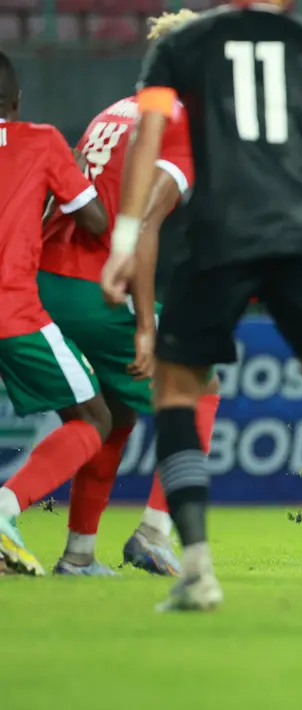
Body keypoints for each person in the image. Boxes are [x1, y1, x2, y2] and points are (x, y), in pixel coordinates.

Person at [100, 0, 302, 611]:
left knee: (178, 393)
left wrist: (125, 242)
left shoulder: (180, 44)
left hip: (219, 237)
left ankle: (198, 571)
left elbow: (148, 137)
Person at [39, 9, 221, 577]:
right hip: (100, 287)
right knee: (202, 382)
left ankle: (79, 553)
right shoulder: (177, 121)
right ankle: (154, 532)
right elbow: (139, 224)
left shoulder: (113, 113)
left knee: (116, 414)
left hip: (49, 276)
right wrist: (146, 323)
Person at [0, 49, 114, 577]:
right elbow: (92, 219)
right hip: (12, 310)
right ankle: (3, 511)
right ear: (16, 101)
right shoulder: (41, 140)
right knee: (94, 418)